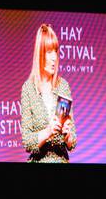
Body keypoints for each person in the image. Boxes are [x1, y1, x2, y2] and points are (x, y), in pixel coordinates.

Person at [20, 23, 77, 163]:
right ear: (40, 54)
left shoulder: (63, 86)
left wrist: (68, 136)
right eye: (49, 52)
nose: (54, 58)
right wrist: (48, 132)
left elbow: (73, 142)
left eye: (55, 52)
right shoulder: (28, 89)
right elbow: (27, 142)